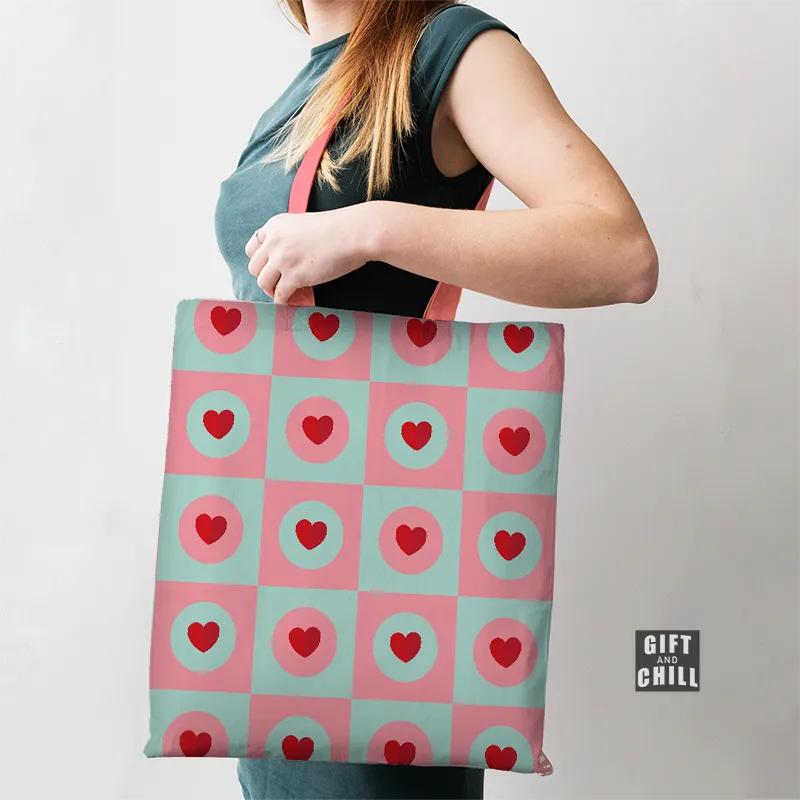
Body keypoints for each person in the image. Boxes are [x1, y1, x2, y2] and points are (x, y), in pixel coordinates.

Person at [214, 2, 659, 798]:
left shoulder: (447, 46)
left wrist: (370, 227)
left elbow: (620, 251)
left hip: (382, 564)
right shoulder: (298, 93)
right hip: (273, 563)